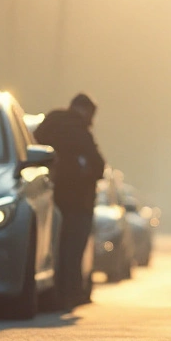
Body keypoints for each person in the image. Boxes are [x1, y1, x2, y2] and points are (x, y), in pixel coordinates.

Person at [34, 93, 106, 311]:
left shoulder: (50, 123)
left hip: (49, 197)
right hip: (79, 203)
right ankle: (70, 295)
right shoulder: (81, 133)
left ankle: (52, 295)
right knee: (72, 252)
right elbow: (99, 166)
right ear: (85, 111)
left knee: (52, 250)